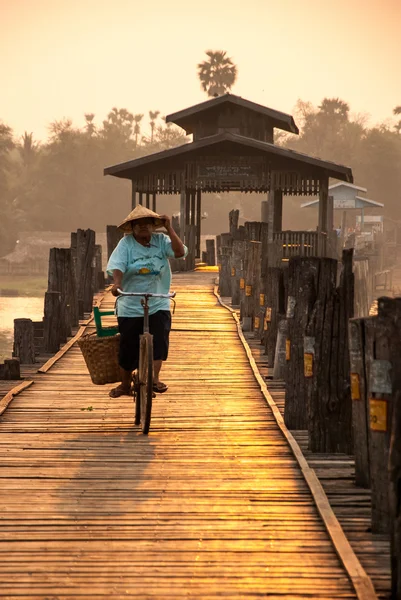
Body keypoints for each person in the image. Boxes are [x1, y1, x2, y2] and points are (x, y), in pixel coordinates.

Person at [106, 205, 187, 398]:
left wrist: (170, 228)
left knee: (159, 342)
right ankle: (125, 384)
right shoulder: (125, 244)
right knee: (127, 347)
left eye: (147, 223)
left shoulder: (161, 240)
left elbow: (179, 252)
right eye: (138, 224)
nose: (143, 227)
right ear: (132, 227)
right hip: (130, 302)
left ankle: (154, 378)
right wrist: (117, 285)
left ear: (153, 226)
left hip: (157, 301)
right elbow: (117, 266)